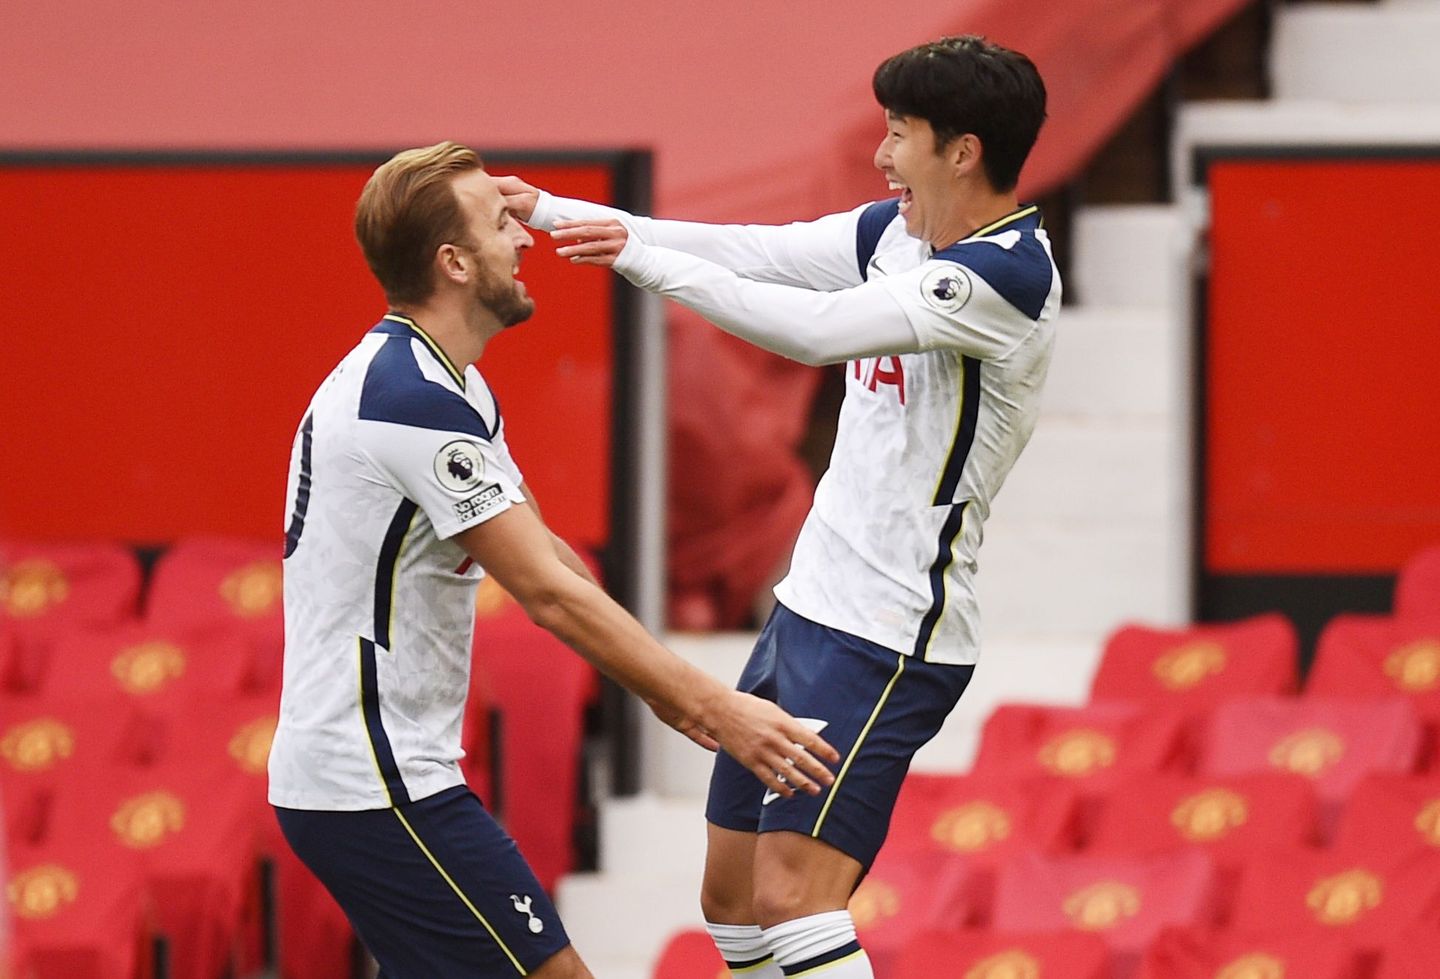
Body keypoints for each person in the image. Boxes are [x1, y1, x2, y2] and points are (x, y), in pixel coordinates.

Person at [498, 34, 1056, 979]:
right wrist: (561, 212)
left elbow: (814, 332)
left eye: (899, 135)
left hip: (889, 633)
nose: (882, 158)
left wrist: (647, 265)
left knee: (796, 904)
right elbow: (759, 251)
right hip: (808, 607)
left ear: (962, 151)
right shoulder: (898, 234)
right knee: (731, 903)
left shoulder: (1004, 276)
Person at [267, 141, 839, 979]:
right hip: (373, 782)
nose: (526, 238)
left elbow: (552, 558)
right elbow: (542, 594)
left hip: (377, 775)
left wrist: (686, 694)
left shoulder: (446, 384)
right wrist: (713, 710)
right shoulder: (407, 399)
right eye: (503, 224)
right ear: (455, 262)